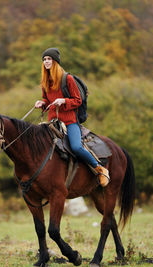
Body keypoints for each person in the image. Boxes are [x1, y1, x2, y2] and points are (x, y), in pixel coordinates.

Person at [34, 47, 110, 187]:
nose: (46, 62)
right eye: (44, 59)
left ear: (55, 61)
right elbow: (47, 101)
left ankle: (100, 168)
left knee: (76, 147)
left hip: (69, 122)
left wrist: (64, 101)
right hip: (53, 122)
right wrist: (42, 103)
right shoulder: (45, 82)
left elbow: (77, 100)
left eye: (49, 59)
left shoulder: (67, 79)